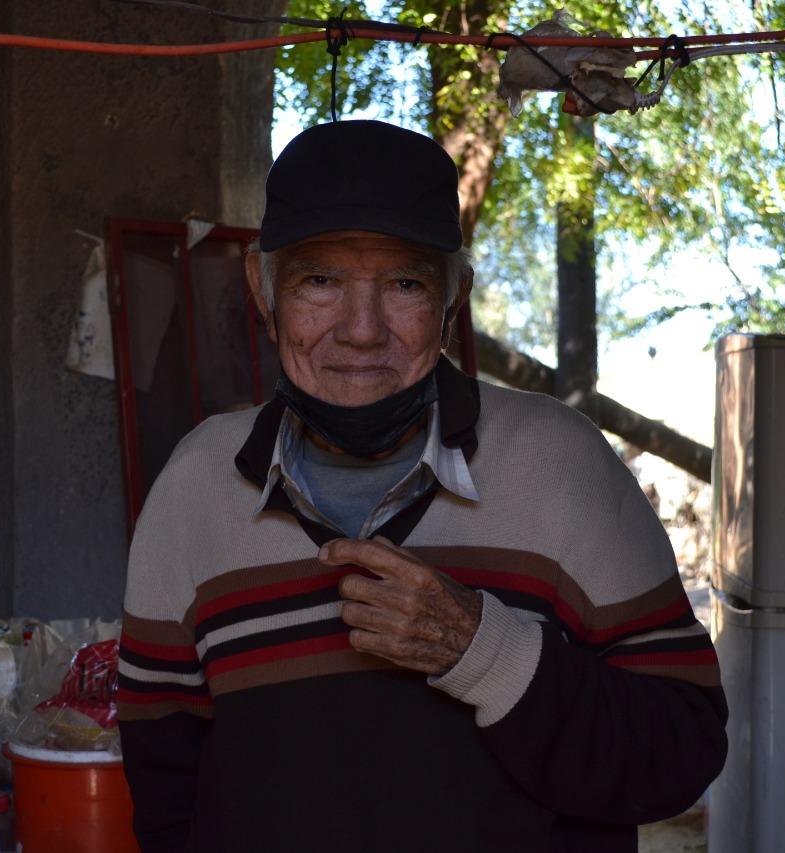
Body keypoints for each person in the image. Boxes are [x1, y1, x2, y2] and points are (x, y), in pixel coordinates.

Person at [117, 120, 727, 853]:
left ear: (452, 298)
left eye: (404, 283)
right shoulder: (194, 489)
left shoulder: (562, 467)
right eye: (320, 281)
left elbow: (682, 752)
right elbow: (164, 796)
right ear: (262, 288)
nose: (362, 329)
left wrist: (484, 648)